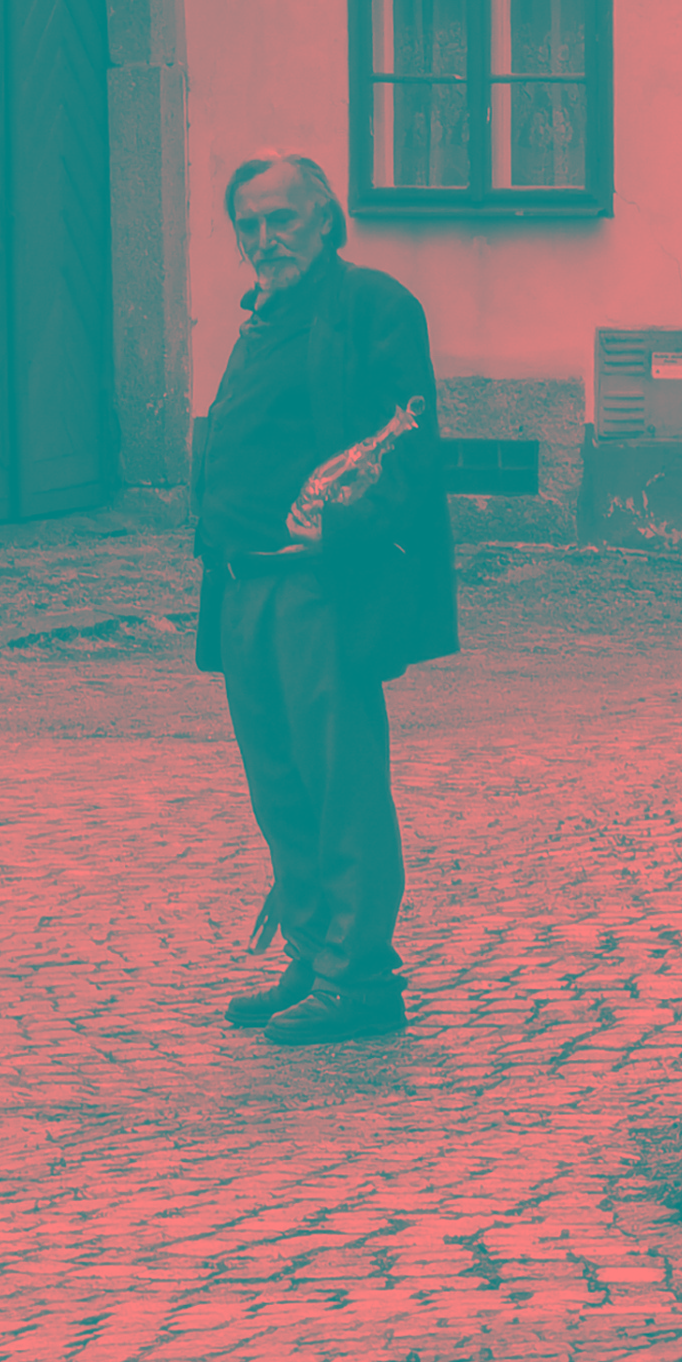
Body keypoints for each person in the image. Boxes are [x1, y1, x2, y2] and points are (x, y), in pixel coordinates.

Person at [192, 152, 459, 1044]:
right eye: (249, 224)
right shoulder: (262, 316)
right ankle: (312, 954)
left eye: (281, 219)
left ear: (325, 219)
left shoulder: (372, 306)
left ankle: (360, 978)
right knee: (279, 786)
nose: (265, 238)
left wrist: (341, 529)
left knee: (340, 782)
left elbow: (410, 446)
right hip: (243, 585)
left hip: (317, 589)